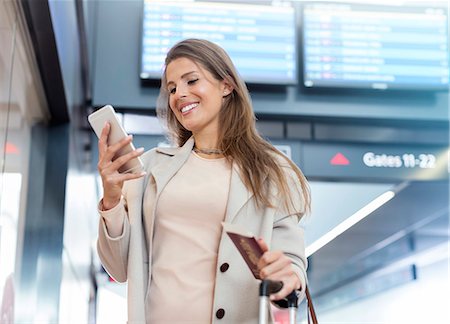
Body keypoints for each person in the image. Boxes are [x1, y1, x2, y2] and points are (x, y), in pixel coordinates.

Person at [96, 38, 310, 323]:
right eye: (172, 88)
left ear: (226, 86)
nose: (179, 94)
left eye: (191, 81)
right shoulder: (150, 168)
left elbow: (293, 266)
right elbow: (119, 268)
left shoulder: (270, 171)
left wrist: (287, 276)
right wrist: (111, 199)